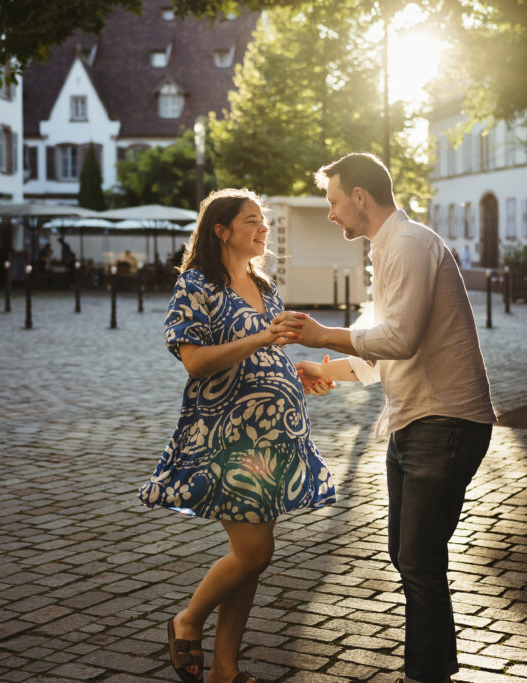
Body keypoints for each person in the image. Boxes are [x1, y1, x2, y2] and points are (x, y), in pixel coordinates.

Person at [292, 153, 496, 683]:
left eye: (334, 201)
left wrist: (323, 335)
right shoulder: (389, 248)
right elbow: (382, 346)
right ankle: (434, 667)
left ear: (360, 196)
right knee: (408, 554)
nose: (331, 214)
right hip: (415, 420)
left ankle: (426, 674)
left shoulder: (407, 245)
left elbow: (398, 339)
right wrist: (324, 369)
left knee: (419, 557)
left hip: (444, 420)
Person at [138, 188, 335, 683]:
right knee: (254, 552)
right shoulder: (197, 284)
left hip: (274, 438)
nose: (263, 228)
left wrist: (298, 375)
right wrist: (265, 338)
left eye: (263, 221)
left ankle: (226, 670)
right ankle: (187, 621)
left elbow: (267, 356)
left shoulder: (264, 285)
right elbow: (196, 361)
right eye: (252, 221)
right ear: (221, 230)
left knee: (252, 557)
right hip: (229, 438)